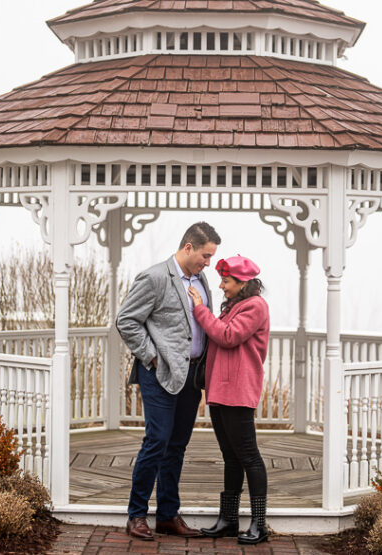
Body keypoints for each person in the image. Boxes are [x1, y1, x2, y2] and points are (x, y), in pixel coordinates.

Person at [116, 221, 220, 541]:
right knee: (157, 441)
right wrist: (152, 357)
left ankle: (167, 516)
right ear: (188, 247)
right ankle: (136, 515)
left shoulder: (202, 280)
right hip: (158, 374)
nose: (208, 263)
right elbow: (126, 321)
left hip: (191, 377)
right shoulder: (155, 277)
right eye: (205, 255)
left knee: (176, 446)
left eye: (212, 257)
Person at [187, 254, 271, 545]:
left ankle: (260, 524)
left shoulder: (255, 306)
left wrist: (200, 310)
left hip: (238, 392)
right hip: (221, 391)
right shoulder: (235, 306)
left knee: (249, 456)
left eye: (226, 280)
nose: (221, 285)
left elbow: (227, 336)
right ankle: (229, 520)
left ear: (242, 282)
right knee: (231, 457)